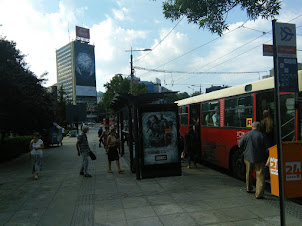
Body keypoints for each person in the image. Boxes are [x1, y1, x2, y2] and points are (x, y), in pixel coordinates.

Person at [239, 121, 266, 199]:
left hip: (248, 158)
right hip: (259, 158)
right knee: (260, 175)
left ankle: (249, 188)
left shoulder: (247, 134)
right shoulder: (262, 135)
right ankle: (259, 194)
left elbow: (240, 144)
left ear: (252, 127)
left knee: (248, 173)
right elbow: (266, 147)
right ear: (259, 127)